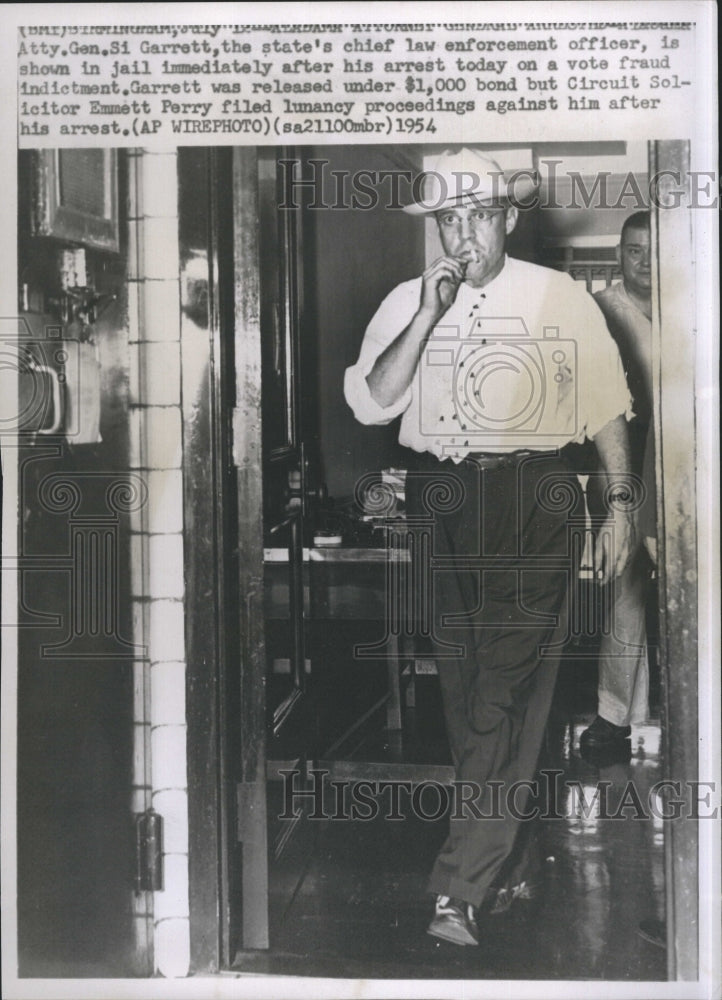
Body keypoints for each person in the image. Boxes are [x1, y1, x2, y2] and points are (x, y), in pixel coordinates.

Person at [344, 148, 636, 948]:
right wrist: (428, 315)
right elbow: (374, 404)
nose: (463, 234)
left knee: (498, 694)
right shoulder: (409, 299)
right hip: (442, 498)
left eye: (478, 215)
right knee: (469, 689)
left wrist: (620, 504)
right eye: (447, 219)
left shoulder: (561, 298)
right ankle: (509, 859)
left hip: (535, 493)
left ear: (508, 218)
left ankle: (457, 889)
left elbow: (608, 406)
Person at [579, 212, 654, 763]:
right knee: (626, 592)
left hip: (680, 469)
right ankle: (613, 718)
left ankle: (679, 709)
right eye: (634, 251)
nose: (646, 261)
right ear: (619, 255)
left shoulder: (696, 306)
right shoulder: (600, 311)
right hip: (623, 472)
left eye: (655, 250)